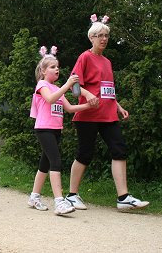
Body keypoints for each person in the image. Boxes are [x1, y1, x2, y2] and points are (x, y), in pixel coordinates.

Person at [65, 14, 149, 211]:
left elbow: (106, 89)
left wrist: (118, 106)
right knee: (85, 153)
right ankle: (71, 195)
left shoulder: (107, 62)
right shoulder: (85, 57)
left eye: (106, 36)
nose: (104, 39)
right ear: (91, 38)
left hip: (108, 114)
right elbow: (73, 84)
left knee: (119, 149)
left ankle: (123, 197)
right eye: (99, 35)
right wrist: (86, 95)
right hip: (88, 115)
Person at [29, 46, 91, 215]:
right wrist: (68, 84)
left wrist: (89, 105)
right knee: (56, 162)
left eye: (58, 67)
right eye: (52, 67)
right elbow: (49, 99)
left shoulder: (57, 88)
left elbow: (70, 108)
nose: (57, 69)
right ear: (43, 71)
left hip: (56, 130)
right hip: (44, 129)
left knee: (45, 163)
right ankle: (59, 202)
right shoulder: (42, 85)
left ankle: (34, 197)